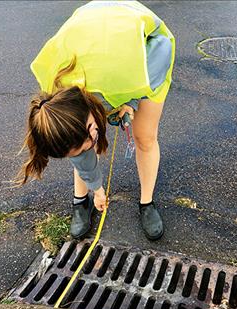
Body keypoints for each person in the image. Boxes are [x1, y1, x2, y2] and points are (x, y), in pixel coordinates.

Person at [15, 1, 175, 241]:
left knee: (145, 136)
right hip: (94, 36)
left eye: (91, 135)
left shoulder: (127, 70)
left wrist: (129, 102)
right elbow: (78, 147)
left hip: (147, 42)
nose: (91, 145)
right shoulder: (55, 93)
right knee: (78, 142)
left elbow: (161, 52)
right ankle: (82, 201)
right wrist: (97, 189)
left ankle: (147, 202)